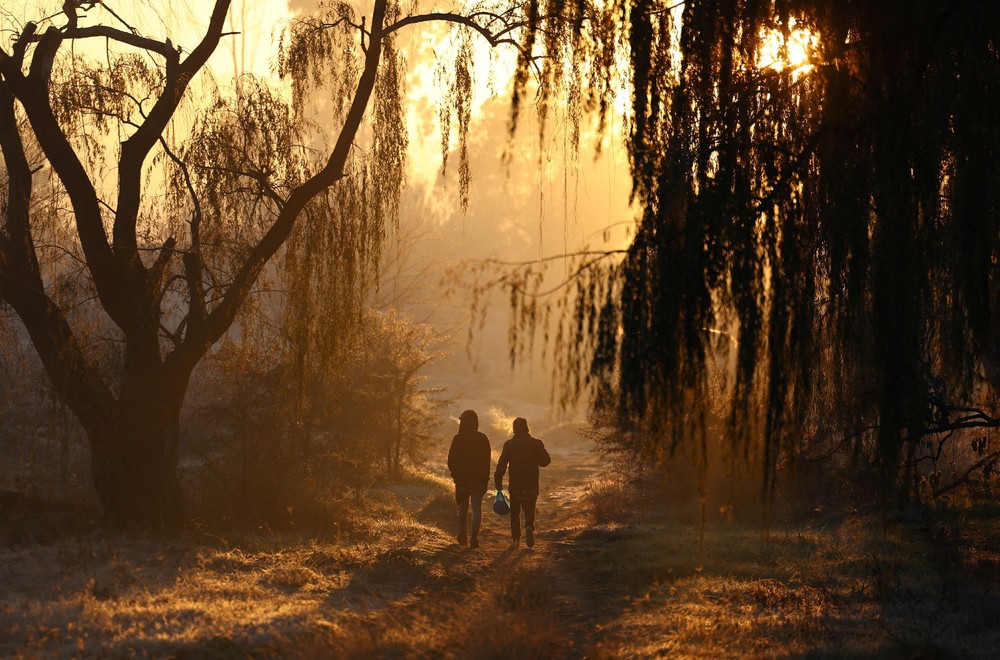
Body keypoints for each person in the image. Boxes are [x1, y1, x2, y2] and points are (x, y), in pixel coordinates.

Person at [494, 417, 551, 548]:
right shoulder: (536, 443)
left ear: (514, 429)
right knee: (529, 510)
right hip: (531, 484)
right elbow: (546, 461)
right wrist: (534, 459)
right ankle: (529, 526)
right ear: (526, 427)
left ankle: (515, 539)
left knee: (515, 513)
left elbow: (501, 464)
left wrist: (498, 480)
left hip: (515, 485)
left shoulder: (509, 444)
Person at [447, 410, 491, 548]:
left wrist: (456, 476)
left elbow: (451, 461)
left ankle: (463, 536)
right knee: (476, 507)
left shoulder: (458, 439)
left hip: (462, 480)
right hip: (478, 480)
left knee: (462, 508)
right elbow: (487, 462)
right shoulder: (483, 438)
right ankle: (474, 538)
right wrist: (485, 478)